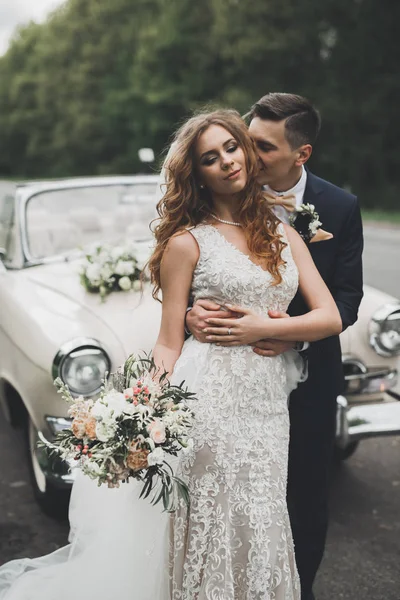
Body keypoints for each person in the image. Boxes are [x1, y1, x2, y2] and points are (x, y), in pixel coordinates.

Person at [0, 108, 342, 600]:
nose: (226, 162)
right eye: (209, 158)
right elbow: (168, 339)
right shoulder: (186, 243)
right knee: (207, 516)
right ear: (196, 175)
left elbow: (329, 316)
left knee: (261, 511)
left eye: (231, 148)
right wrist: (143, 408)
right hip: (210, 400)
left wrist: (265, 327)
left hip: (267, 404)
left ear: (245, 151)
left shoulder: (283, 233)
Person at [186, 94, 364, 600]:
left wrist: (284, 329)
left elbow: (345, 301)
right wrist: (188, 314)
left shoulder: (339, 207)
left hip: (305, 374)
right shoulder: (211, 195)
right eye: (245, 137)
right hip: (225, 379)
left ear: (299, 155)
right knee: (222, 500)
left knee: (303, 498)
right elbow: (181, 279)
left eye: (260, 146)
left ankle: (293, 590)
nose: (243, 153)